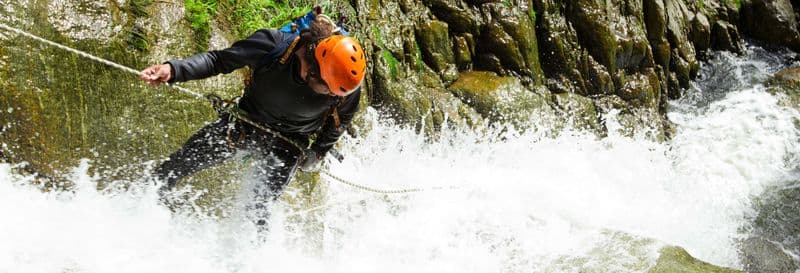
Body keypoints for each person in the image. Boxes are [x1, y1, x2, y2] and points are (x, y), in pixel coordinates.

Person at [138, 14, 366, 232]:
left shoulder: (344, 87)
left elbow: (340, 122)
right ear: (311, 68)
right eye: (326, 88)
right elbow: (218, 60)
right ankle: (138, 207)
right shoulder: (273, 45)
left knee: (258, 211)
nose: (330, 94)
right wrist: (174, 70)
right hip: (245, 124)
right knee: (177, 166)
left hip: (290, 144)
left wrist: (317, 153)